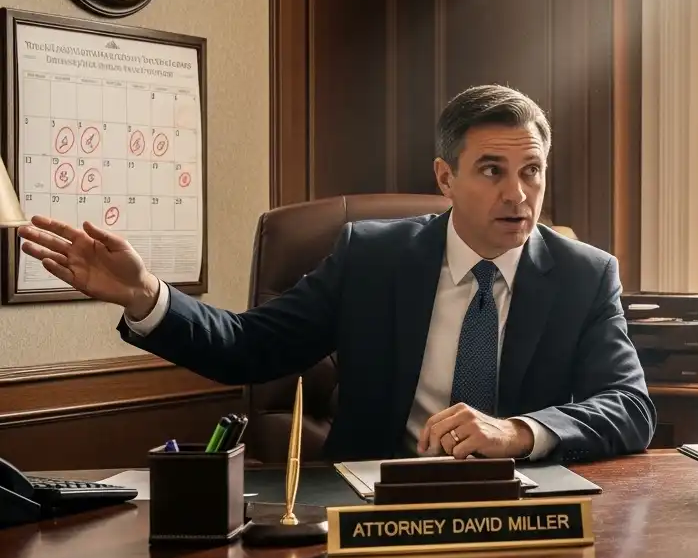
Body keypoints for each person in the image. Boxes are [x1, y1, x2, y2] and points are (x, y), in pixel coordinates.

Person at [18, 84, 657, 464]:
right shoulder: (371, 260)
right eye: (492, 171)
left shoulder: (586, 275)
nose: (518, 194)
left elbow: (630, 407)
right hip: (373, 512)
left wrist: (520, 431)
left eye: (532, 171)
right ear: (445, 179)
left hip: (525, 513)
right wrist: (145, 295)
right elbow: (249, 347)